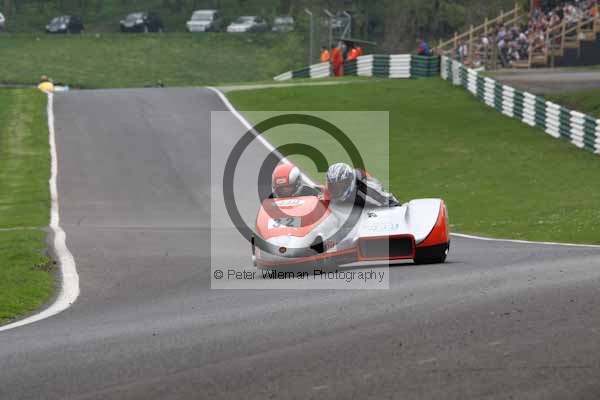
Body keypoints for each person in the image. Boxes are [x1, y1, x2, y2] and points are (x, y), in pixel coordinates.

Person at [325, 163, 400, 207]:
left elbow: (393, 203)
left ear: (349, 181)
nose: (336, 189)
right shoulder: (329, 190)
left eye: (340, 185)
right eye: (333, 186)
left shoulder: (368, 190)